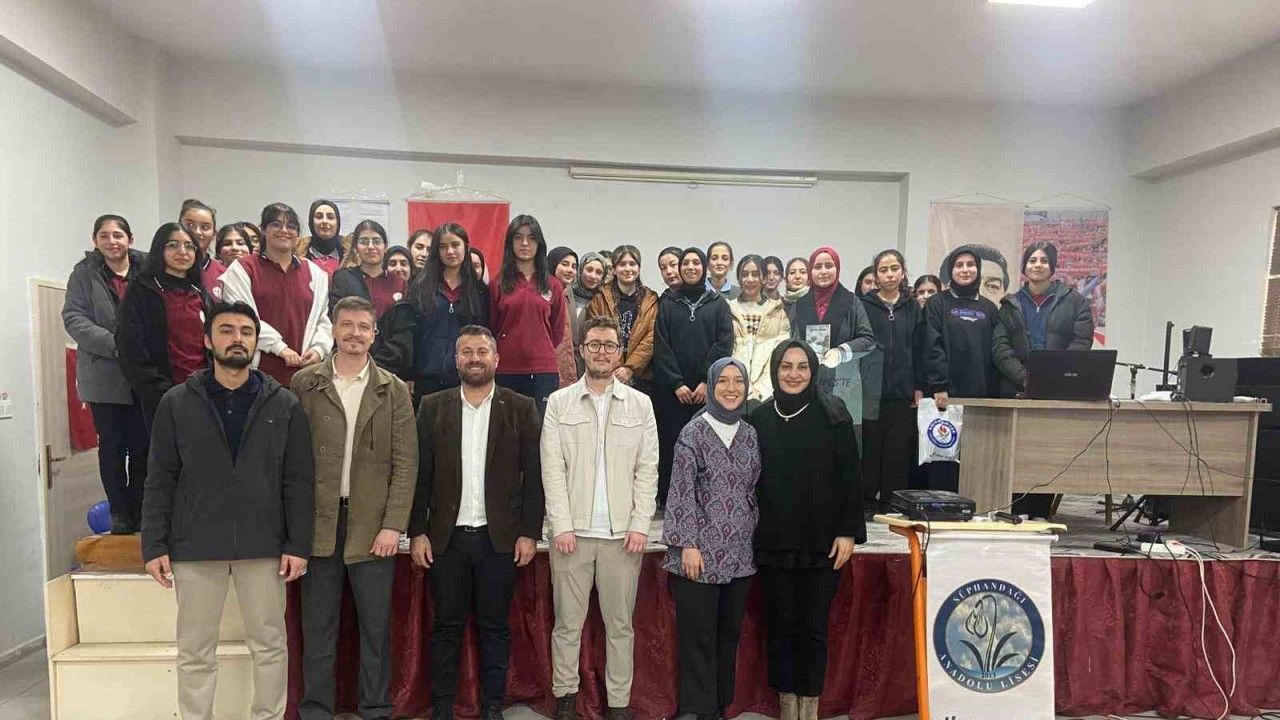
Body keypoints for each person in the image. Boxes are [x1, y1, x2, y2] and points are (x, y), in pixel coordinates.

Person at [141, 301, 313, 720]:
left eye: (246, 332)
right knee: (195, 650)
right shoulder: (176, 403)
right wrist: (154, 544)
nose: (238, 339)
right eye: (227, 330)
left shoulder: (284, 403)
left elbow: (299, 480)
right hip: (195, 545)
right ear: (208, 340)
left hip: (264, 544)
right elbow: (160, 477)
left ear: (256, 343)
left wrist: (298, 543)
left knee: (270, 646)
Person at [291, 296, 418, 720]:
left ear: (374, 334)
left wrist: (393, 525)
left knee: (375, 629)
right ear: (334, 329)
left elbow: (406, 464)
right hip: (319, 523)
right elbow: (290, 461)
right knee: (319, 628)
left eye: (364, 327)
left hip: (372, 526)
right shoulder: (306, 384)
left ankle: (376, 708)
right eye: (347, 325)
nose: (355, 334)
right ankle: (315, 710)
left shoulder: (393, 389)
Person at [410, 325, 544, 720]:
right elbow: (420, 475)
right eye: (466, 351)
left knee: (495, 628)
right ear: (456, 359)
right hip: (446, 539)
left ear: (496, 359)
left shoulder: (520, 407)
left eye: (482, 351)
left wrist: (529, 532)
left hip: (499, 540)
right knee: (446, 628)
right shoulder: (432, 407)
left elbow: (534, 476)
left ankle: (491, 708)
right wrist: (417, 531)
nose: (474, 358)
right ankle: (441, 709)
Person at [541, 316, 659, 720]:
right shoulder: (559, 403)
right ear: (582, 350)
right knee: (567, 625)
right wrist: (561, 525)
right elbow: (552, 468)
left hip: (622, 537)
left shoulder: (640, 405)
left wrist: (641, 525)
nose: (602, 352)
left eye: (609, 345)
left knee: (620, 626)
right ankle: (565, 700)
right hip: (571, 535)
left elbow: (648, 468)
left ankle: (619, 706)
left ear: (619, 353)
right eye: (594, 345)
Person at [749, 340, 864, 720]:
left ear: (813, 371)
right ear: (775, 370)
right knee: (780, 627)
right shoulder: (759, 418)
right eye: (786, 366)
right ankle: (787, 704)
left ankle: (809, 706)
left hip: (822, 545)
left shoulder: (834, 414)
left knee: (813, 628)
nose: (794, 374)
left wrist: (848, 532)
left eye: (802, 366)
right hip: (773, 543)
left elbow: (851, 478)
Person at [662, 358, 759, 720]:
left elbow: (753, 489)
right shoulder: (694, 432)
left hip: (740, 554)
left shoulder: (750, 434)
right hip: (698, 552)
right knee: (698, 636)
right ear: (712, 385)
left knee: (728, 635)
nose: (731, 388)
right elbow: (680, 492)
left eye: (738, 381)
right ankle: (695, 709)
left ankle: (718, 707)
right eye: (723, 381)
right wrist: (687, 544)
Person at [63, 214, 148, 534]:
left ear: (130, 239)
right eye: (104, 235)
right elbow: (74, 318)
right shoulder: (83, 274)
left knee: (143, 448)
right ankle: (120, 513)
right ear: (95, 240)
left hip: (143, 376)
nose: (112, 241)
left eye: (118, 235)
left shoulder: (147, 268)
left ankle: (140, 510)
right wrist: (117, 345)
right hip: (104, 376)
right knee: (112, 448)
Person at [374, 223, 490, 405]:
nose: (450, 251)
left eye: (455, 245)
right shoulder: (420, 287)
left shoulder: (479, 291)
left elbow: (485, 335)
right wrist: (408, 374)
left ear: (466, 247)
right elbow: (409, 335)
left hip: (466, 381)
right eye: (443, 247)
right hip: (425, 381)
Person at [653, 248, 734, 505]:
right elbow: (661, 347)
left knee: (705, 445)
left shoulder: (718, 304)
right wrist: (676, 383)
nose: (690, 267)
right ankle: (671, 499)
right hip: (673, 393)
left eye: (695, 262)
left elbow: (723, 344)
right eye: (685, 262)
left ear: (704, 267)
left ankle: (704, 498)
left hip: (705, 392)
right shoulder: (668, 304)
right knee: (671, 444)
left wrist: (705, 382)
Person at [220, 202, 333, 386]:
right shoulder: (242, 270)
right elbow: (242, 319)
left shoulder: (315, 273)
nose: (284, 231)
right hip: (255, 376)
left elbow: (323, 319)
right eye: (276, 224)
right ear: (263, 230)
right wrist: (280, 348)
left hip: (303, 377)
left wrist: (319, 349)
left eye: (291, 226)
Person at [923, 246, 1003, 491]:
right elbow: (932, 345)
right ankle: (941, 504)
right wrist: (939, 385)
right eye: (959, 265)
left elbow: (997, 349)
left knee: (977, 455)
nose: (965, 270)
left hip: (981, 395)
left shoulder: (989, 308)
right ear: (951, 270)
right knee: (945, 457)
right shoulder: (937, 303)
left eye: (970, 265)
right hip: (947, 394)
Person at [117, 223, 211, 431]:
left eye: (189, 246)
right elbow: (130, 347)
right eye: (173, 245)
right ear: (159, 249)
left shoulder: (200, 292)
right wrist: (159, 391)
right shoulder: (141, 290)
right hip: (162, 396)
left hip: (204, 393)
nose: (182, 252)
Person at [859, 250, 924, 511]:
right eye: (883, 270)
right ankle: (866, 502)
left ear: (903, 272)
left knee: (897, 451)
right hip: (869, 391)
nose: (889, 274)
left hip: (902, 391)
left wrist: (919, 387)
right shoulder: (863, 305)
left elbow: (920, 349)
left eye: (894, 268)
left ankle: (892, 503)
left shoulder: (913, 307)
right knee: (870, 450)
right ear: (876, 276)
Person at [489, 215, 566, 415]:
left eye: (531, 238)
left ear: (539, 243)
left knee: (541, 427)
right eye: (518, 237)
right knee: (506, 427)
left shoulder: (553, 285)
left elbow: (557, 331)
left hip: (543, 370)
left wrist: (538, 346)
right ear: (510, 242)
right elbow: (492, 327)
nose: (524, 243)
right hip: (506, 369)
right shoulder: (497, 284)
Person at [788, 247, 875, 389]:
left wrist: (841, 352)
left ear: (837, 268)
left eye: (829, 266)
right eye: (817, 267)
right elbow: (791, 341)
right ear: (811, 271)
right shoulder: (799, 305)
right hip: (805, 382)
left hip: (843, 383)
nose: (823, 271)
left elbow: (868, 339)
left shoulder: (852, 302)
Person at [586, 245, 658, 394]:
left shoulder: (651, 299)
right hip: (607, 374)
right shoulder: (599, 299)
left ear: (639, 268)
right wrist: (617, 368)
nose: (627, 269)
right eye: (622, 264)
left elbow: (651, 337)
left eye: (632, 264)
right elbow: (596, 335)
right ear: (614, 269)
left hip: (642, 377)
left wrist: (630, 368)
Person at [1010, 241, 1095, 353]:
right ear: (1025, 266)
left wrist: (1061, 363)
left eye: (1044, 261)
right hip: (1018, 364)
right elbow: (1001, 344)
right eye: (1032, 261)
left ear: (1052, 266)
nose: (1038, 265)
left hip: (1062, 364)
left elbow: (1081, 341)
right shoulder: (1010, 303)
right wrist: (1014, 365)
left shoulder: (1076, 301)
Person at [730, 254, 791, 404]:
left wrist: (761, 389)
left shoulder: (778, 312)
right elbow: (725, 351)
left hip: (766, 394)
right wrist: (738, 383)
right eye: (744, 274)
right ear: (738, 278)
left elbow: (779, 354)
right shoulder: (727, 309)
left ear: (764, 278)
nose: (749, 279)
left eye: (755, 274)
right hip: (732, 389)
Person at [329, 220, 406, 318]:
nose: (370, 247)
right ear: (356, 248)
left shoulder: (399, 283)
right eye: (364, 242)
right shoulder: (344, 278)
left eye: (376, 241)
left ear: (385, 247)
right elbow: (335, 316)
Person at [568, 252, 607, 376]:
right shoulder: (565, 293)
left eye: (599, 272)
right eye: (589, 270)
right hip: (563, 360)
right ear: (580, 270)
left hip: (590, 365)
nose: (593, 276)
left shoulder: (603, 302)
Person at [548, 246, 581, 387]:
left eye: (574, 267)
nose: (570, 270)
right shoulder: (544, 295)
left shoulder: (567, 295)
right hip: (548, 368)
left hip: (566, 365)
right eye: (565, 264)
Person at [180, 199, 227, 290]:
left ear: (214, 234)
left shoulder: (224, 276)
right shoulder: (164, 270)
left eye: (205, 227)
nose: (197, 232)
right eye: (190, 225)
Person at [296, 199, 348, 277]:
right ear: (311, 222)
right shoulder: (295, 252)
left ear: (338, 223)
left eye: (330, 217)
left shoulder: (353, 253)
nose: (324, 221)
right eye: (319, 217)